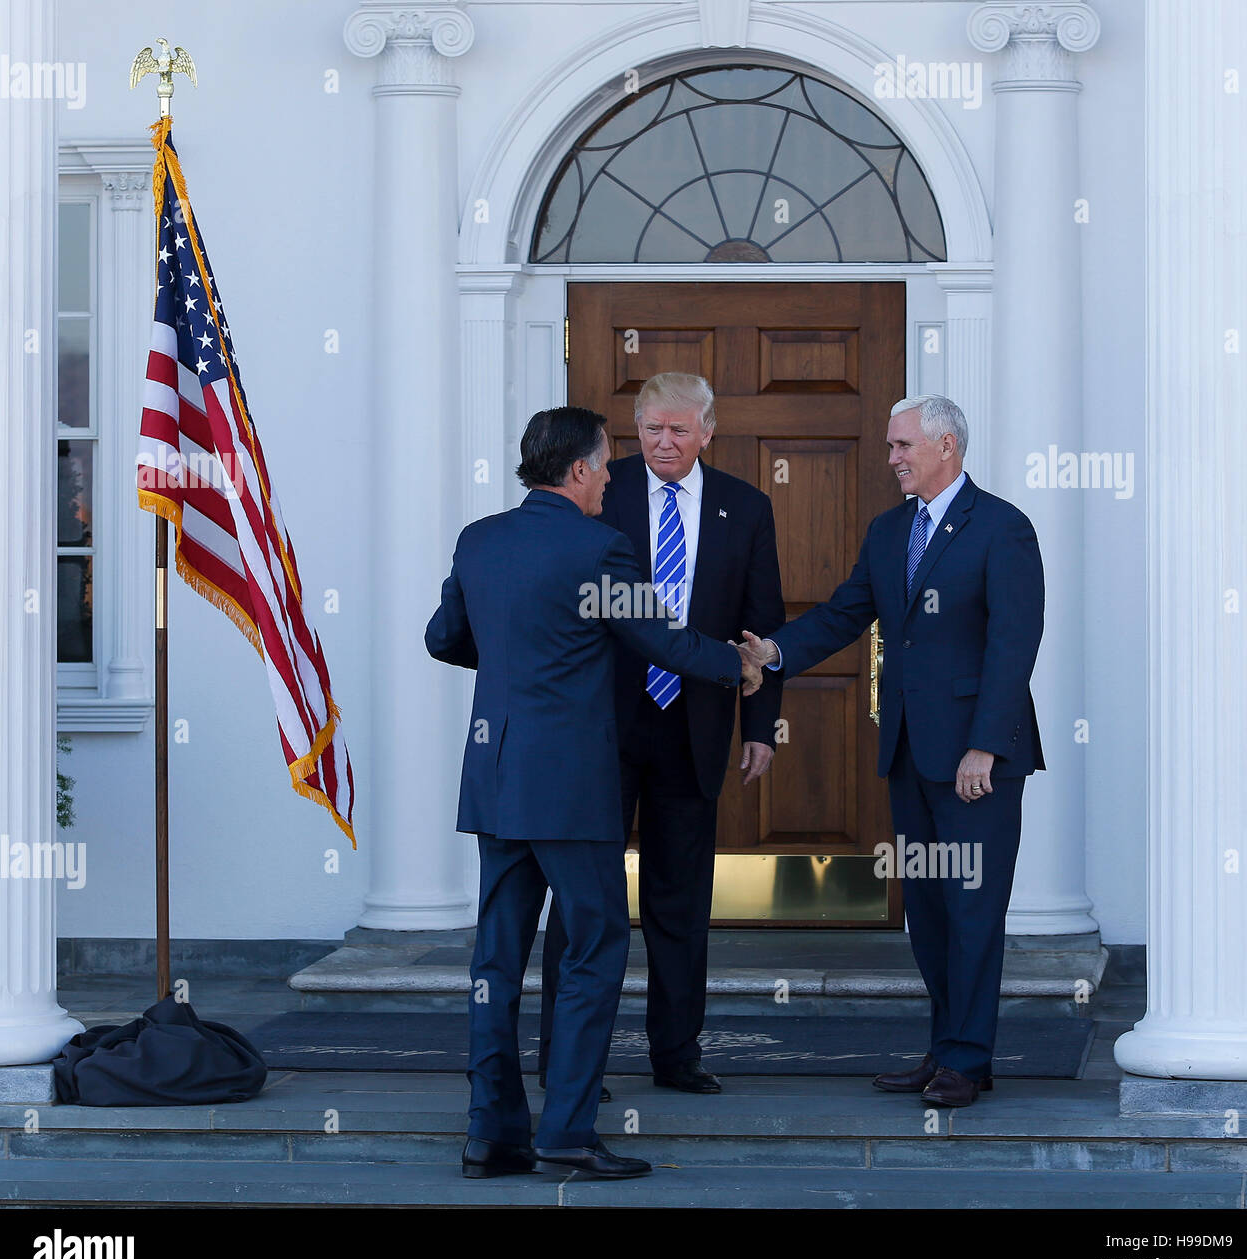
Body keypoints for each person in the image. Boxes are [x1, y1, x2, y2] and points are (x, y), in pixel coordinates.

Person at [426, 405, 760, 1179]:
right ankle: (568, 1132)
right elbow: (662, 640)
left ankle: (491, 1133)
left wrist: (518, 651)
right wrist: (735, 666)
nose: (613, 477)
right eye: (607, 464)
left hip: (498, 778)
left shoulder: (480, 540)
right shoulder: (600, 548)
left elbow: (445, 638)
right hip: (572, 786)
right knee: (592, 950)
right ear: (577, 470)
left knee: (495, 959)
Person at [740, 395, 1045, 1107]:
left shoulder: (1003, 528)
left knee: (972, 908)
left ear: (946, 445)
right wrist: (777, 649)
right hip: (908, 753)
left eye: (903, 445)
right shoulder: (888, 531)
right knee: (931, 911)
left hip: (977, 761)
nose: (892, 458)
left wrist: (984, 749)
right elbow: (848, 612)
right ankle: (947, 1049)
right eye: (889, 446)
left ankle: (967, 1058)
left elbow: (1012, 646)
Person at [537, 373, 784, 1096]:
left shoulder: (748, 506)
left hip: (695, 727)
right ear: (633, 430)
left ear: (709, 429)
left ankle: (676, 1055)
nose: (664, 443)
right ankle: (567, 1061)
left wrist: (761, 726)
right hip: (600, 728)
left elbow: (756, 630)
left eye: (679, 429)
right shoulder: (595, 491)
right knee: (584, 902)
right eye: (651, 429)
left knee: (680, 903)